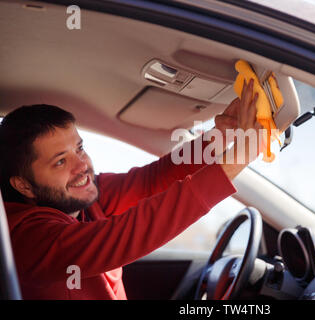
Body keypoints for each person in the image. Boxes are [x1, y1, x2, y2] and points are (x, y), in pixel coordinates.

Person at [0, 80, 261, 299]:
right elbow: (129, 233)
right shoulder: (25, 239)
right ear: (23, 185)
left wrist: (222, 135)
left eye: (79, 149)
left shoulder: (84, 196)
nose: (82, 166)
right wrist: (238, 158)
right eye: (60, 161)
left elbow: (153, 179)